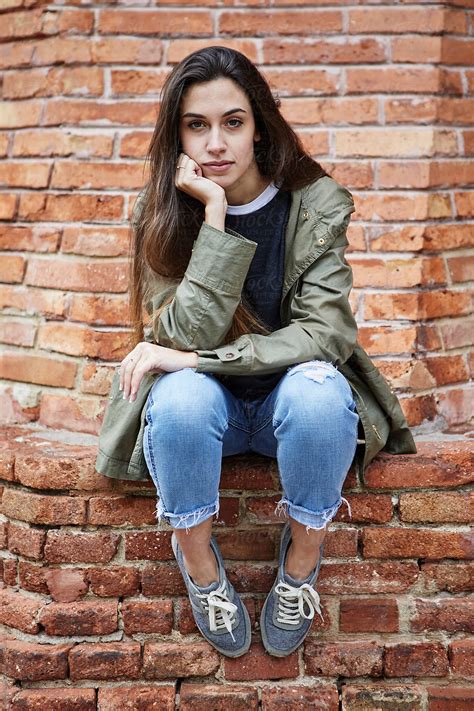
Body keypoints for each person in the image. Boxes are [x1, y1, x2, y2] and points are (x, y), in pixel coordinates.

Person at [97, 46, 416, 659]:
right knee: (182, 396)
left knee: (322, 387)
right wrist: (214, 216)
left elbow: (325, 333)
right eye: (197, 125)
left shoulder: (314, 204)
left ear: (259, 126)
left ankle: (300, 562)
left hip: (289, 411)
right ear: (177, 134)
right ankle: (200, 567)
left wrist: (197, 361)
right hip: (206, 415)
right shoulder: (162, 212)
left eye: (233, 122)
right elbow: (182, 335)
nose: (215, 143)